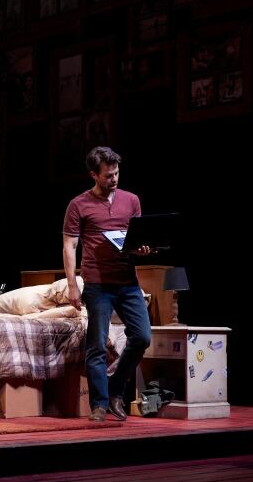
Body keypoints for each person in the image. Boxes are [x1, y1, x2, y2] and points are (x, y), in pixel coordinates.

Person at [62, 147, 152, 422]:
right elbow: (69, 245)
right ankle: (99, 405)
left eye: (116, 173)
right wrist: (72, 285)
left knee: (142, 337)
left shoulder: (131, 200)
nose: (114, 178)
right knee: (97, 345)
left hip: (127, 282)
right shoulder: (79, 204)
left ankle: (115, 391)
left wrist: (143, 249)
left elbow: (136, 238)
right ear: (94, 174)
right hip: (98, 283)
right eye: (108, 175)